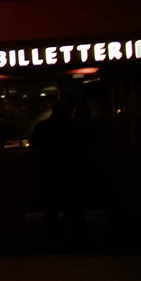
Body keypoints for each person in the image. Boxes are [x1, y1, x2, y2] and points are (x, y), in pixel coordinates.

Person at [32, 99, 90, 242]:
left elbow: (34, 147)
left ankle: (53, 231)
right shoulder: (75, 127)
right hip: (73, 170)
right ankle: (78, 232)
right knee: (75, 202)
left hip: (50, 170)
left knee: (51, 203)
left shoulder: (42, 127)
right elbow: (86, 147)